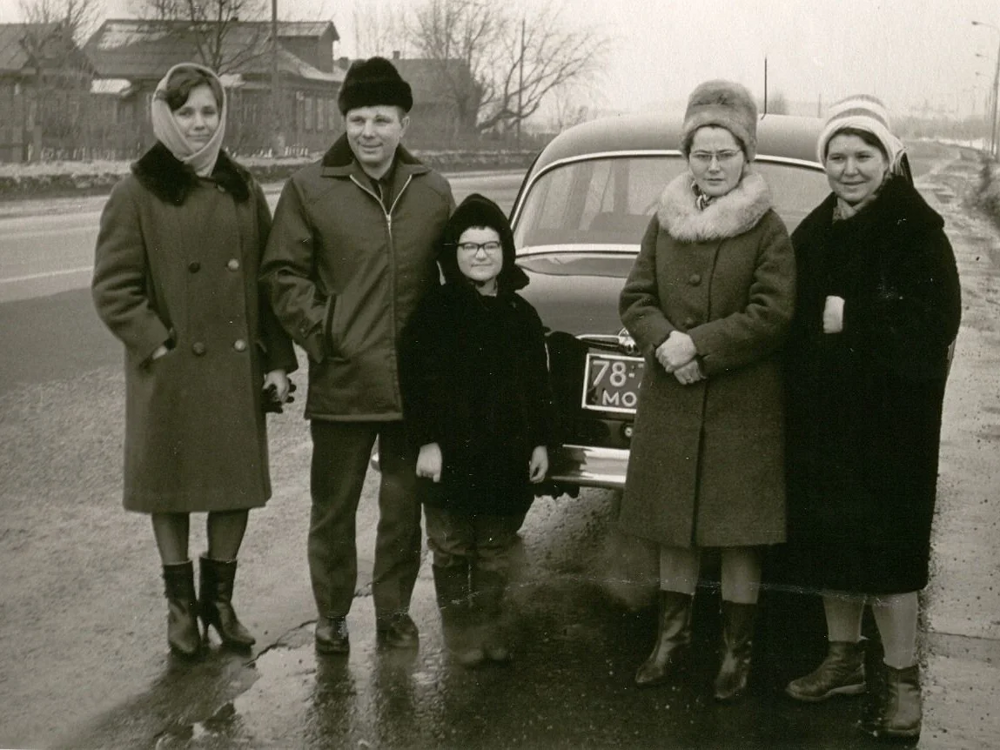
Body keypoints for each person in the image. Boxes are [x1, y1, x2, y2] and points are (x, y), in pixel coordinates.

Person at [92, 62, 297, 658]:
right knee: (173, 489)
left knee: (233, 488)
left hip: (234, 368)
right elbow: (112, 288)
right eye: (186, 112)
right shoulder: (136, 191)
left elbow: (265, 283)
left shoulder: (242, 188)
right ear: (165, 115)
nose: (200, 124)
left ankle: (220, 602)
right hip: (173, 369)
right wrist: (158, 343)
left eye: (209, 111)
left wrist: (277, 360)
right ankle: (181, 610)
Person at [779, 96, 961, 741]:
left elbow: (934, 328)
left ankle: (903, 679)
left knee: (888, 554)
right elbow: (788, 311)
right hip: (827, 422)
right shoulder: (816, 229)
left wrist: (851, 319)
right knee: (834, 542)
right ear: (822, 162)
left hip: (893, 425)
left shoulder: (918, 233)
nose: (849, 168)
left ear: (889, 160)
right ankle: (843, 661)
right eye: (837, 156)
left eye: (863, 156)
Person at [260, 57, 455, 654]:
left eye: (382, 119)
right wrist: (326, 334)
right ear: (344, 120)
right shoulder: (310, 188)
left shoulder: (432, 190)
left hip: (411, 388)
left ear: (403, 123)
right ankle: (332, 615)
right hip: (344, 381)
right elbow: (283, 273)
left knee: (402, 513)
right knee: (334, 509)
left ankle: (393, 613)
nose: (369, 131)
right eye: (358, 118)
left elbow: (449, 282)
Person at [618, 80, 795, 701]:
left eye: (726, 153)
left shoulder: (768, 229)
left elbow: (773, 313)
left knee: (737, 532)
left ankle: (735, 654)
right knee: (673, 526)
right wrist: (665, 340)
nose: (713, 166)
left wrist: (700, 346)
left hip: (741, 408)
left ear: (747, 156)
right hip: (671, 398)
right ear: (686, 157)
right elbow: (636, 297)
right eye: (701, 154)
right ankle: (669, 643)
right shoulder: (663, 223)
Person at [398, 194, 554, 667]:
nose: (480, 255)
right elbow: (414, 382)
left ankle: (487, 627)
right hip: (448, 457)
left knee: (494, 548)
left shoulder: (521, 316)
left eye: (489, 245)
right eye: (469, 246)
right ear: (453, 253)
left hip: (504, 458)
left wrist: (543, 441)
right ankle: (459, 634)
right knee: (449, 548)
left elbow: (539, 386)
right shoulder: (435, 312)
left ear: (505, 251)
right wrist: (426, 441)